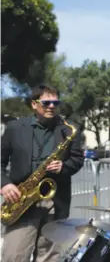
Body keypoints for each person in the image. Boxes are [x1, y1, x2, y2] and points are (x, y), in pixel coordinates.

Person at [1, 84, 85, 262]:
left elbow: (77, 160)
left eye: (56, 102)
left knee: (50, 257)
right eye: (46, 102)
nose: (52, 106)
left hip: (54, 201)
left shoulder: (69, 129)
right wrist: (5, 184)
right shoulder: (15, 128)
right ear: (34, 104)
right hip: (21, 201)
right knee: (13, 256)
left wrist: (64, 167)